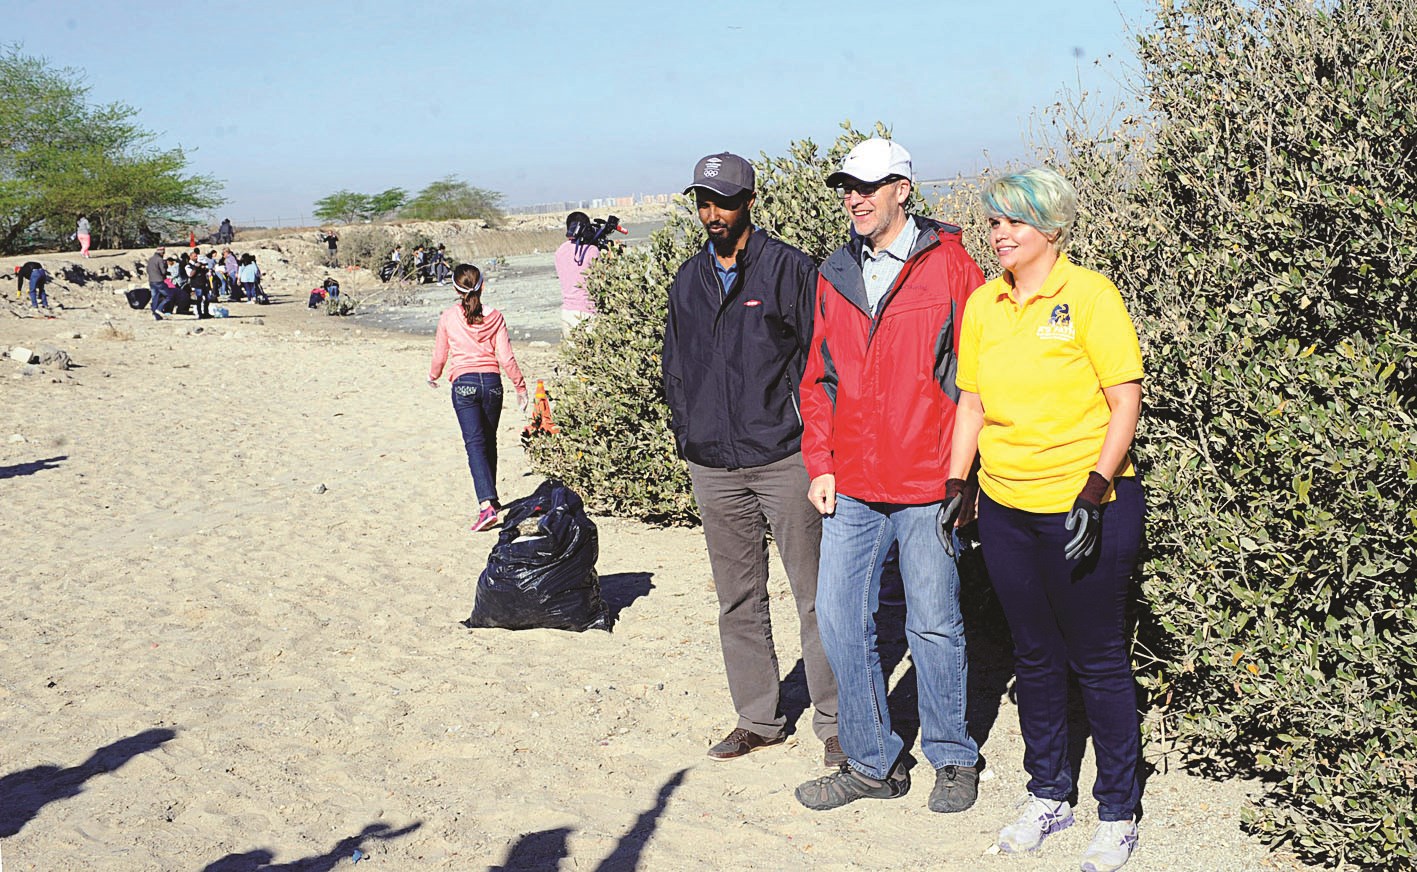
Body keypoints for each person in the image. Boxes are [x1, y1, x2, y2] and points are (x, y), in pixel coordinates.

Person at [944, 167, 1145, 871]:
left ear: (1050, 230)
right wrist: (955, 481)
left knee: (1095, 658)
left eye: (1013, 222)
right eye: (993, 221)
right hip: (1004, 507)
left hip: (1085, 507)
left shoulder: (1089, 296)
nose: (998, 233)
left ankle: (1117, 808)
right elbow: (970, 404)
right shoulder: (982, 304)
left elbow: (1124, 400)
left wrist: (1095, 486)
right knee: (1032, 654)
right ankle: (1048, 793)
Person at [794, 138, 984, 813]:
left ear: (904, 188)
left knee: (933, 624)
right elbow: (816, 380)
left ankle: (953, 757)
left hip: (928, 483)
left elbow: (979, 382)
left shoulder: (953, 267)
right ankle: (872, 762)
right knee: (838, 620)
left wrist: (966, 477)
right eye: (847, 185)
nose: (855, 196)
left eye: (870, 185)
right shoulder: (833, 272)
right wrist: (819, 463)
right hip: (850, 484)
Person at [662, 152, 841, 767]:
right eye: (704, 202)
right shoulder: (688, 280)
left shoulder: (789, 269)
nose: (713, 213)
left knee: (816, 595)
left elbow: (821, 364)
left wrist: (818, 451)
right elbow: (676, 368)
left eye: (725, 201)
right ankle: (758, 718)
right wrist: (691, 437)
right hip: (713, 466)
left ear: (749, 202)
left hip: (784, 458)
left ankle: (836, 724)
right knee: (737, 597)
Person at [428, 263, 530, 532]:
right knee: (489, 441)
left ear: (455, 288)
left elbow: (440, 354)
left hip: (464, 383)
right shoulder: (496, 317)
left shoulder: (449, 317)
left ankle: (486, 505)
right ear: (482, 285)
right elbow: (506, 357)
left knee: (475, 443)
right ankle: (492, 499)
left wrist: (433, 376)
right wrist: (520, 387)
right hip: (493, 383)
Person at [554, 211, 600, 337]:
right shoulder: (592, 250)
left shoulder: (560, 251)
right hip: (589, 311)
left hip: (567, 312)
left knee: (574, 355)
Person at [147, 246, 170, 320]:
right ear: (162, 252)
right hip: (159, 281)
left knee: (155, 298)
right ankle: (159, 309)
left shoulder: (150, 259)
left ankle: (156, 315)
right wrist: (166, 266)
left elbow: (148, 270)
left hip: (151, 281)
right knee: (169, 296)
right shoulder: (160, 260)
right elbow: (163, 271)